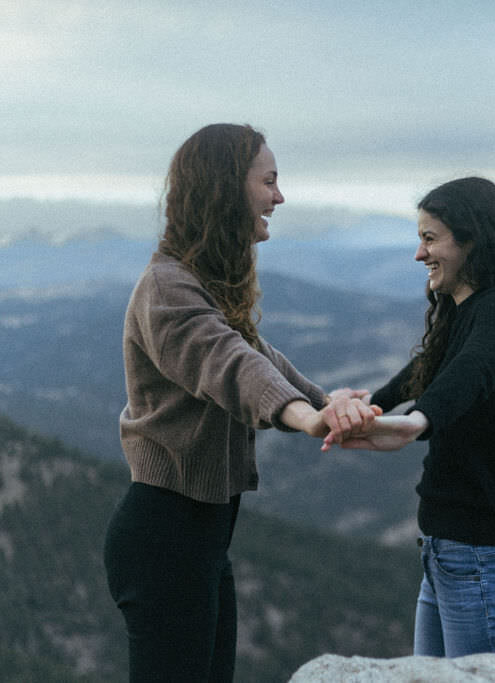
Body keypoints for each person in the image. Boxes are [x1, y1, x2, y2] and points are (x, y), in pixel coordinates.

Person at [103, 123, 378, 682]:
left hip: (201, 543)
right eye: (269, 181)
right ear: (226, 187)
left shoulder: (201, 283)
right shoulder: (166, 288)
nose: (279, 197)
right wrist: (307, 417)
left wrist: (328, 402)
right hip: (165, 542)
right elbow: (226, 362)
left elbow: (259, 356)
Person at [325, 176, 495, 657]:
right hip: (453, 555)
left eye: (430, 238)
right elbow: (430, 369)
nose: (419, 254)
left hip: (487, 563)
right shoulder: (465, 312)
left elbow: (471, 374)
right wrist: (369, 402)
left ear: (472, 239)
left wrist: (417, 422)